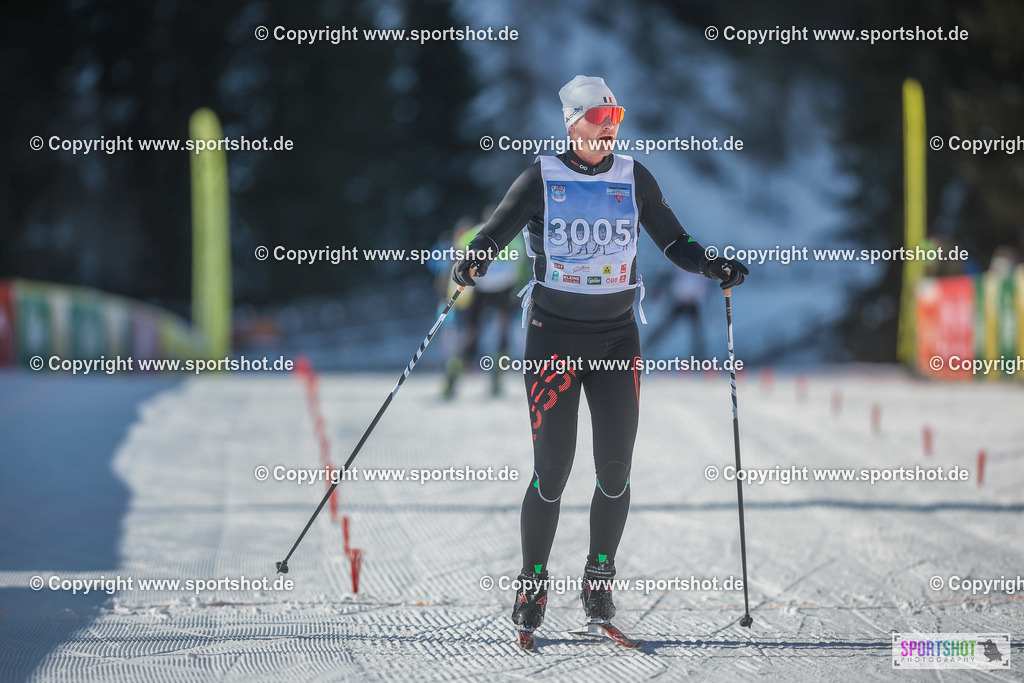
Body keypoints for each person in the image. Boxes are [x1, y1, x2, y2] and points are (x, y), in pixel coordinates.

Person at [451, 75, 748, 637]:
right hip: (552, 339)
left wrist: (712, 266)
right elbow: (493, 234)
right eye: (597, 121)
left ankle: (598, 575)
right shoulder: (541, 177)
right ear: (572, 122)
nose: (607, 131)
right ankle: (533, 582)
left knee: (615, 472)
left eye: (614, 121)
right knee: (552, 472)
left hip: (616, 339)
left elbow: (675, 242)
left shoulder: (634, 176)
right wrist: (473, 260)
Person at [441, 206, 528, 399]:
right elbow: (521, 262)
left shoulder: (475, 232)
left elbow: (459, 252)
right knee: (499, 332)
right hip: (500, 287)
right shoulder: (512, 234)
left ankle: (452, 379)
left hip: (480, 285)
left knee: (472, 332)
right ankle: (495, 378)